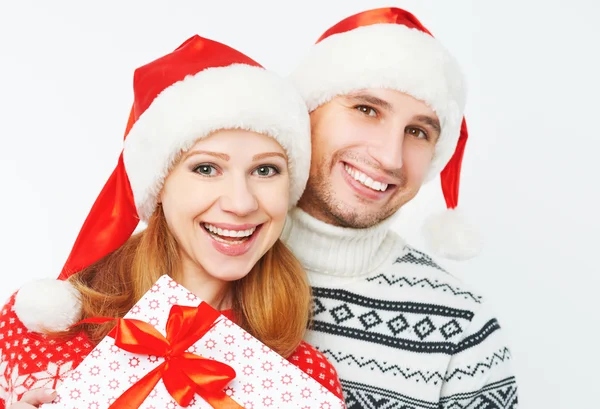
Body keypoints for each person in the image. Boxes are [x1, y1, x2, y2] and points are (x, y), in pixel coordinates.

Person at [0, 35, 344, 408]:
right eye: (207, 168)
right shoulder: (40, 327)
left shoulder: (306, 380)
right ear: (159, 184)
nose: (241, 203)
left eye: (265, 169)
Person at [281, 7, 519, 409]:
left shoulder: (462, 328)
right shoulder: (198, 267)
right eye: (366, 109)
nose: (391, 158)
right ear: (306, 112)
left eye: (417, 132)